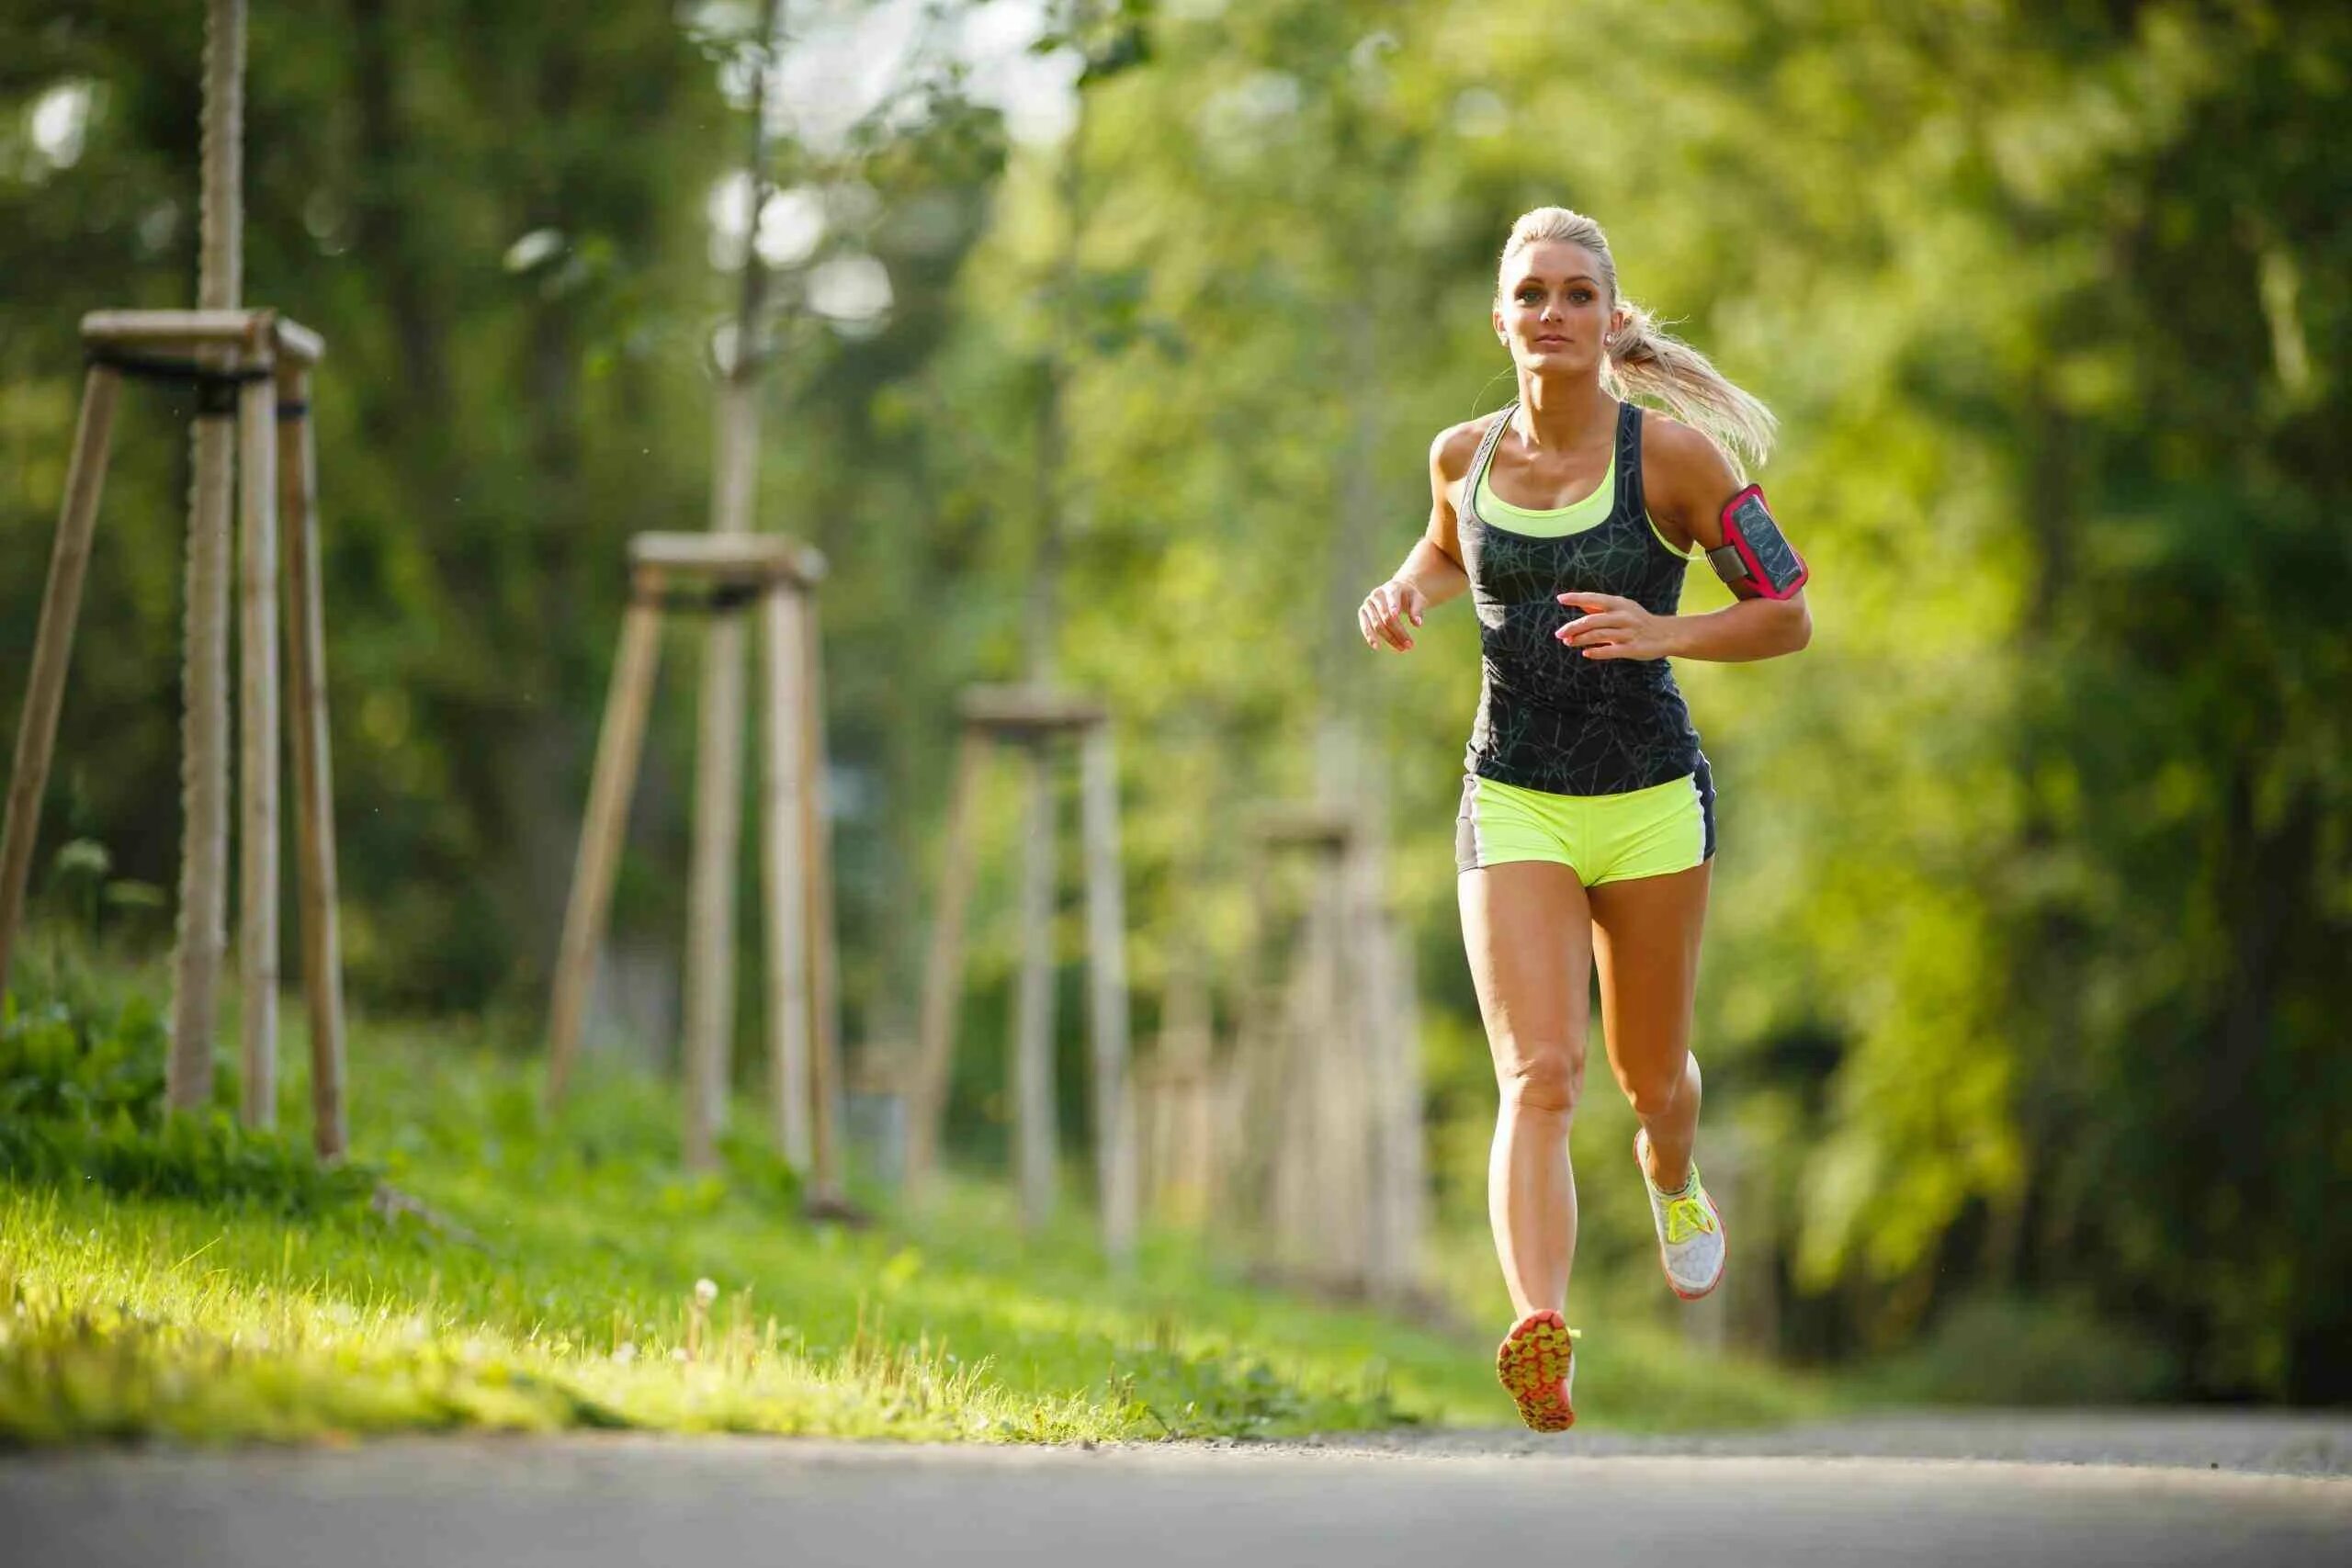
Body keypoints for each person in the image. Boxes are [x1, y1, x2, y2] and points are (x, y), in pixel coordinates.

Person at [1357, 207, 1813, 1432]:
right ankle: (1540, 1330)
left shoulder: (1673, 460)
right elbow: (1453, 550)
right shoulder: (1463, 453)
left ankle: (1671, 1173)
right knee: (1539, 1071)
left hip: (1653, 802)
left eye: (1575, 295)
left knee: (1647, 1076)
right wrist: (1406, 588)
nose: (1551, 315)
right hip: (1512, 794)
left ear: (1611, 320)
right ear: (1499, 320)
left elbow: (1787, 612)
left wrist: (1668, 631)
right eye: (1531, 295)